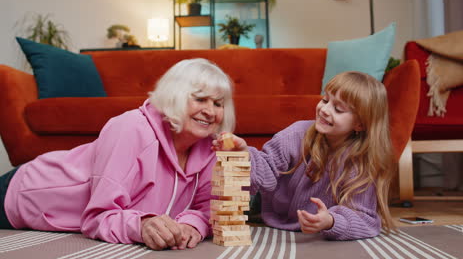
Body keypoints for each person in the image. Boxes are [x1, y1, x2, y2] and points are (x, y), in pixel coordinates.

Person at [0, 58, 235, 250]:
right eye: (200, 99)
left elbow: (208, 209)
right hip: (24, 193)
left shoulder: (210, 148)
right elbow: (97, 217)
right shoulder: (131, 128)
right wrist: (141, 225)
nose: (210, 111)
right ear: (175, 96)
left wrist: (192, 225)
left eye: (218, 103)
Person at [213, 71, 396, 240]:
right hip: (261, 202)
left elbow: (365, 219)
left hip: (310, 218)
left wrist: (331, 221)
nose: (324, 109)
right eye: (325, 100)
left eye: (338, 109)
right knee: (221, 196)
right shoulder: (296, 134)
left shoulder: (362, 163)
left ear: (360, 125)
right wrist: (244, 156)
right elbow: (265, 170)